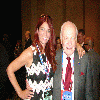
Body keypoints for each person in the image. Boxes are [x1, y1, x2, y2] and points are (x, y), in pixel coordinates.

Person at [7, 14, 57, 100]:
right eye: (42, 29)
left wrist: (78, 46)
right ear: (37, 31)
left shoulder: (50, 52)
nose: (45, 34)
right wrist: (20, 92)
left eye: (48, 30)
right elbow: (9, 69)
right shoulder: (30, 52)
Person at [53, 21, 93, 100]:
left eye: (72, 38)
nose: (69, 43)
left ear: (76, 40)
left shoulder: (84, 59)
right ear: (61, 39)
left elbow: (89, 93)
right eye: (66, 38)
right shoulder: (52, 58)